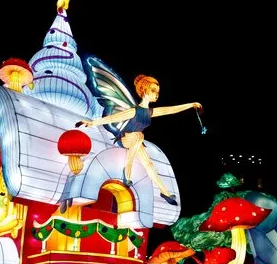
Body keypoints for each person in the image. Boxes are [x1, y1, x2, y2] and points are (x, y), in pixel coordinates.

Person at [78, 74, 202, 206]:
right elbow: (112, 119)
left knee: (149, 164)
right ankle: (127, 171)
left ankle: (164, 192)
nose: (156, 94)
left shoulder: (150, 112)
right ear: (144, 91)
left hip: (136, 141)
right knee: (139, 136)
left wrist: (190, 105)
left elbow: (170, 110)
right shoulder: (134, 111)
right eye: (153, 91)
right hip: (125, 138)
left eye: (157, 92)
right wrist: (92, 123)